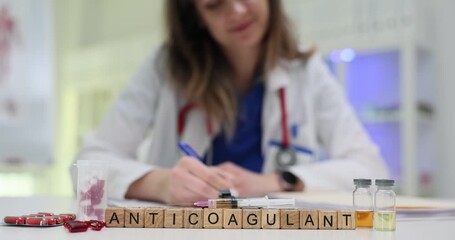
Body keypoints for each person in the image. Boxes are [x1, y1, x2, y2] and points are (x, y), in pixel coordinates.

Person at [71, 0, 388, 205]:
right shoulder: (165, 67)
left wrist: (277, 181)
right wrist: (162, 183)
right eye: (215, 4)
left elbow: (370, 168)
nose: (236, 11)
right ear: (196, 15)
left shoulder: (305, 71)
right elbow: (87, 165)